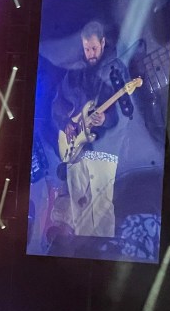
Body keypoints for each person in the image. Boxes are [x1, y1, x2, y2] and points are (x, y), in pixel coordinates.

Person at [50, 20, 132, 238]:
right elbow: (58, 104)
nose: (91, 54)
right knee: (76, 202)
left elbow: (122, 117)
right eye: (87, 49)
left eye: (94, 48)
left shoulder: (115, 71)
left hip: (103, 147)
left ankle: (100, 244)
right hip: (76, 148)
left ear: (103, 43)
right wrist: (65, 123)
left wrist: (105, 119)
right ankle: (78, 243)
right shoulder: (75, 73)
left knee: (101, 205)